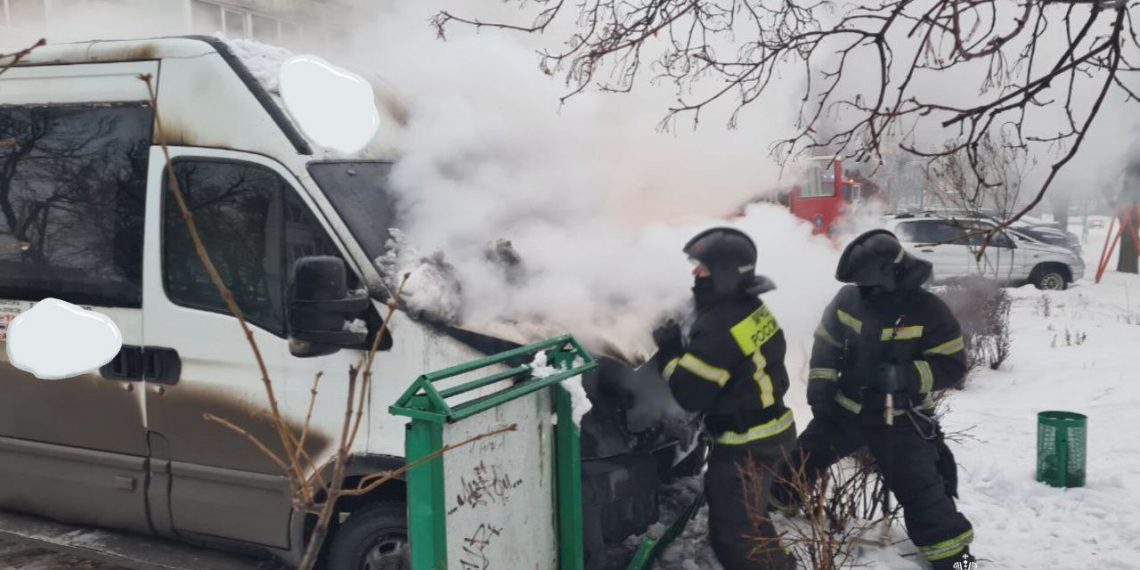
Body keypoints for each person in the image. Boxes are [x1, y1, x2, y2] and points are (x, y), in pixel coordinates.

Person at [777, 229, 975, 569]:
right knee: (801, 460)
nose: (864, 292)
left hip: (901, 417)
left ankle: (950, 555)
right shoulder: (848, 299)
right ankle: (779, 509)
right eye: (860, 286)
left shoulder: (928, 310)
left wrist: (907, 376)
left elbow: (952, 365)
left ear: (891, 274)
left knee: (921, 488)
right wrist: (821, 391)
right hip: (846, 409)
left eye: (869, 285)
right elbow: (826, 346)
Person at [653, 227, 797, 570]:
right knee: (752, 523)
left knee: (736, 538)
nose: (694, 273)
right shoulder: (747, 307)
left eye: (701, 267)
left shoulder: (721, 324)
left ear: (723, 273)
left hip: (746, 446)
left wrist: (669, 350)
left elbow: (690, 393)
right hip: (769, 432)